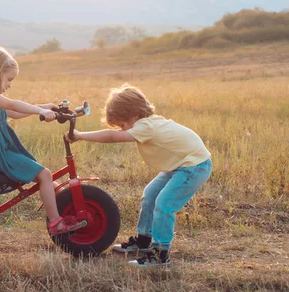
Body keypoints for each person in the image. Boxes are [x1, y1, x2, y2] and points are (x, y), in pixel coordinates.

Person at [66, 84, 212, 266]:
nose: (123, 129)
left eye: (123, 125)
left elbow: (112, 136)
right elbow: (116, 133)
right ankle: (144, 241)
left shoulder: (146, 127)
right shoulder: (147, 122)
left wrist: (79, 135)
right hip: (180, 165)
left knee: (164, 204)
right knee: (150, 195)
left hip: (194, 166)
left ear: (134, 115)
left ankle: (160, 254)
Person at [0, 46, 85, 235]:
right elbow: (12, 104)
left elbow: (15, 112)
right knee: (44, 174)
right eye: (9, 79)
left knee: (43, 176)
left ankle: (63, 205)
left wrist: (45, 107)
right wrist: (40, 111)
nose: (10, 84)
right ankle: (55, 223)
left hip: (2, 152)